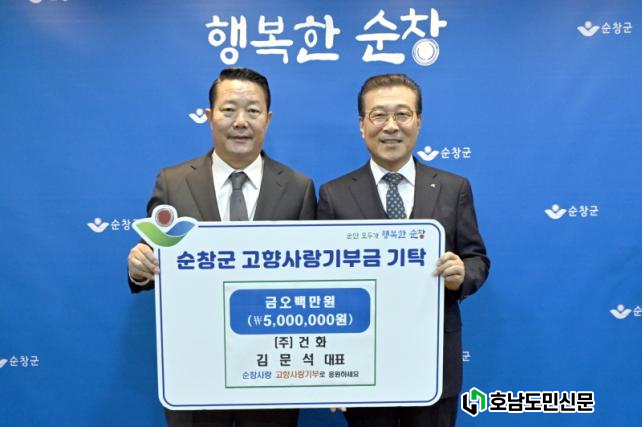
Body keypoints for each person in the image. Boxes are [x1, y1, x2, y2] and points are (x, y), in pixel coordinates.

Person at [127, 67, 316, 427]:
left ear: (268, 119)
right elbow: (151, 256)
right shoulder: (173, 182)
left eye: (253, 111)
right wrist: (139, 267)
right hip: (195, 361)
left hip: (271, 364)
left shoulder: (298, 187)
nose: (240, 121)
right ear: (209, 115)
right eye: (229, 110)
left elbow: (311, 278)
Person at [317, 74, 490, 427]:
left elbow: (477, 259)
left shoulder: (453, 188)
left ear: (418, 122)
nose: (391, 126)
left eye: (402, 114)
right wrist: (330, 371)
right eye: (379, 115)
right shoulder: (334, 194)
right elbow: (322, 282)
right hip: (363, 362)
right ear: (362, 124)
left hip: (433, 360)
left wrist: (461, 275)